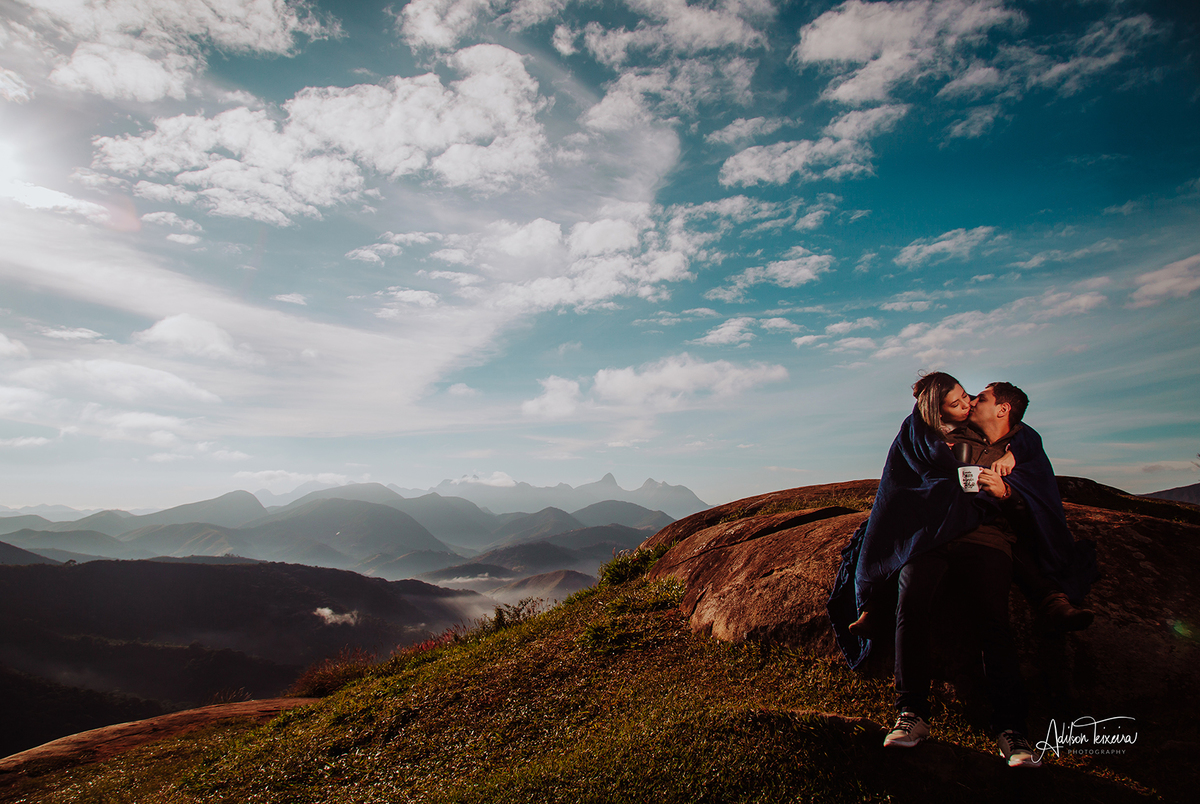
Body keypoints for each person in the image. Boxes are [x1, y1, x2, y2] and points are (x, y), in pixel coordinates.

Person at [826, 373, 1099, 768]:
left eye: (980, 397)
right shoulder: (949, 433)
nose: (971, 401)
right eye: (964, 397)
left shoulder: (1022, 444)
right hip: (931, 536)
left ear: (1003, 409)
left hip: (985, 537)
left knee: (994, 620)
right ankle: (911, 713)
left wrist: (1007, 490)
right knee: (911, 604)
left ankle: (1012, 730)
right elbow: (920, 431)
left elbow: (1037, 498)